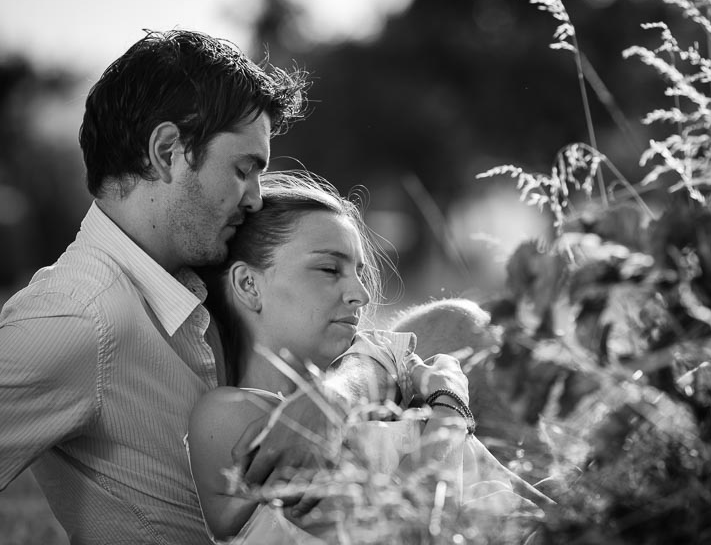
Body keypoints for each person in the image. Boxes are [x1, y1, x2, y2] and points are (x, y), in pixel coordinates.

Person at [0, 29, 307, 544]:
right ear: (168, 152)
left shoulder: (210, 278)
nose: (255, 198)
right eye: (243, 169)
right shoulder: (79, 315)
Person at [189, 172, 550, 543]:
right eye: (330, 270)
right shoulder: (230, 416)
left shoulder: (381, 381)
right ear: (249, 285)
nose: (360, 294)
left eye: (360, 273)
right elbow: (412, 532)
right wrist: (450, 405)